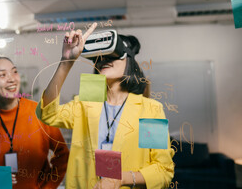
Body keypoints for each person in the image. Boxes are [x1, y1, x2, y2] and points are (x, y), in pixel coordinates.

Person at [36, 23, 175, 189]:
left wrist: (120, 179)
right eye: (99, 57)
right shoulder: (86, 102)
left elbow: (163, 170)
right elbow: (48, 114)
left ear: (129, 61)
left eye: (112, 55)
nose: (104, 60)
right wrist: (66, 62)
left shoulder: (150, 109)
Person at [0, 56, 69, 188]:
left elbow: (63, 154)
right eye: (2, 75)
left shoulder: (37, 112)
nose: (12, 79)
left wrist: (48, 187)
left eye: (14, 71)